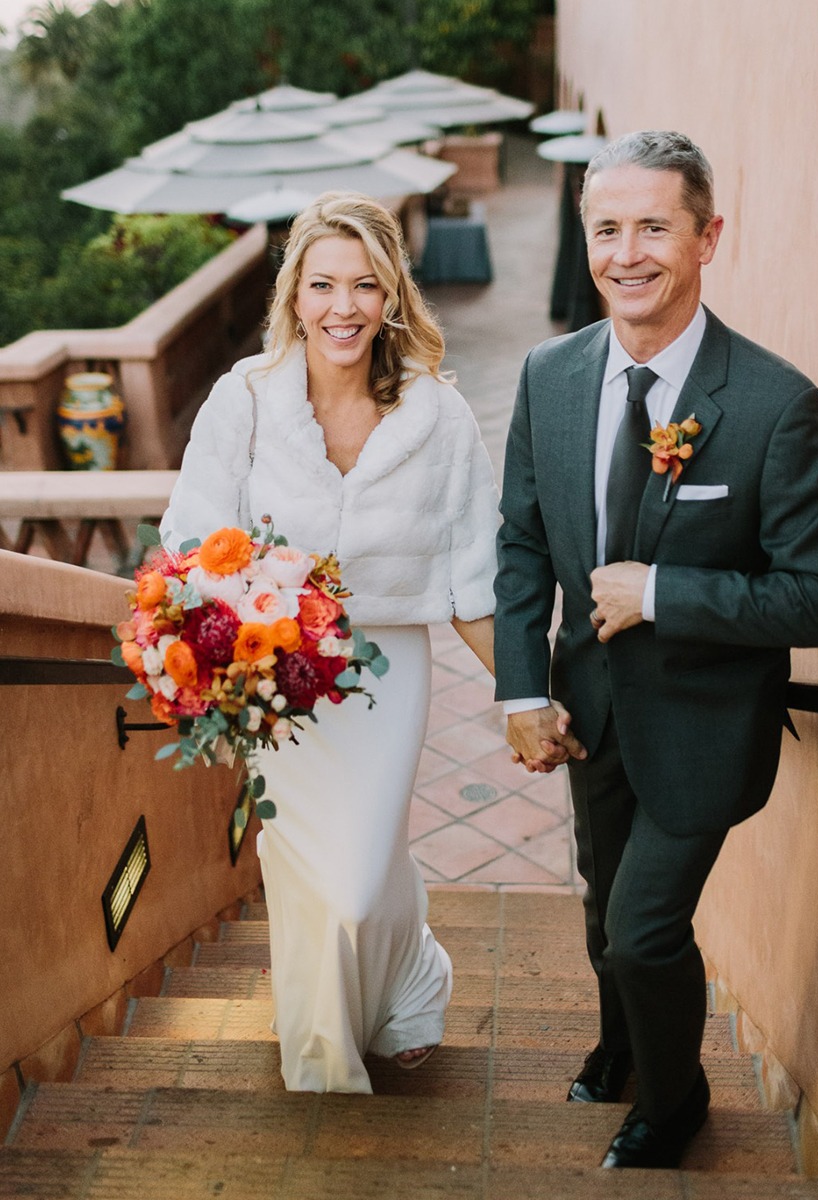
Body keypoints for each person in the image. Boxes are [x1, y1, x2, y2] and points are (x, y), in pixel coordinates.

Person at [493, 131, 818, 1169]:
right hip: (589, 709)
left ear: (709, 237)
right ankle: (619, 1047)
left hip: (706, 729)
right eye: (606, 229)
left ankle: (675, 1103)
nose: (627, 253)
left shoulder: (775, 406)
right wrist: (520, 688)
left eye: (654, 226)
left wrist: (663, 591)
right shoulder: (550, 376)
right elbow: (522, 542)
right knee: (596, 901)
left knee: (642, 929)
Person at [161, 191, 500, 1092]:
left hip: (386, 672)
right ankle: (326, 1047)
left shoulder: (439, 418)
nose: (342, 307)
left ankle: (406, 980)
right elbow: (190, 535)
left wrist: (530, 696)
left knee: (365, 856)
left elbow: (475, 576)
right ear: (294, 296)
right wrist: (237, 621)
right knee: (318, 874)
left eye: (364, 285)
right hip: (278, 674)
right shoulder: (246, 398)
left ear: (392, 295)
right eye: (322, 285)